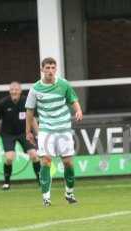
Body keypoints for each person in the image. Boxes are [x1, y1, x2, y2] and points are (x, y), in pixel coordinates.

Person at [25, 57, 83, 207]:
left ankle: (69, 193)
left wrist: (78, 110)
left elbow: (73, 99)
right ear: (42, 69)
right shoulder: (35, 89)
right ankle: (46, 198)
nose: (50, 71)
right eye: (47, 68)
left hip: (63, 128)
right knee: (46, 161)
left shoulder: (63, 84)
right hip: (46, 129)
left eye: (53, 67)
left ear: (55, 69)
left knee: (68, 162)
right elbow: (30, 112)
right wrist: (28, 131)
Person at [0, 81, 40, 190]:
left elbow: (32, 119)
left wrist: (38, 135)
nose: (14, 91)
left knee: (34, 156)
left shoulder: (26, 101)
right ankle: (6, 183)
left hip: (24, 133)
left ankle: (41, 181)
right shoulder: (3, 103)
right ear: (9, 91)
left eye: (16, 89)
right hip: (8, 134)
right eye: (12, 89)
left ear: (20, 91)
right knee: (9, 158)